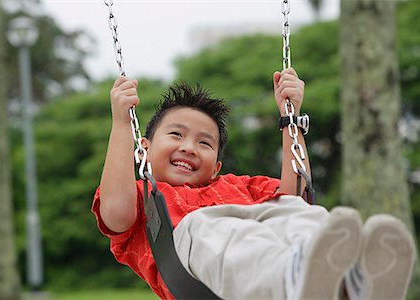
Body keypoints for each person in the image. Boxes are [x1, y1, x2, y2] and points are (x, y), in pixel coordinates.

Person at [91, 68, 416, 299]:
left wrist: (291, 117)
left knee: (294, 211)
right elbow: (116, 212)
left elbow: (295, 195)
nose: (189, 147)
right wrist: (122, 122)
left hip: (264, 247)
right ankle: (295, 274)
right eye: (176, 134)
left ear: (217, 165)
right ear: (143, 150)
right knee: (209, 228)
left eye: (205, 143)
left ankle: (350, 280)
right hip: (193, 261)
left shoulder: (239, 186)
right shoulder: (144, 198)